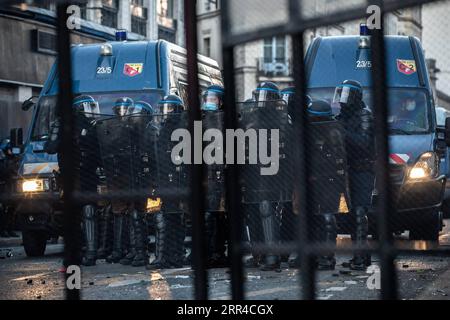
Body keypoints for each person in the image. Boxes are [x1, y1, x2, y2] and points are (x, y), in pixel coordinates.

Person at [46, 95, 101, 266]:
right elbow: (50, 147)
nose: (89, 110)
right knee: (72, 215)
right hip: (71, 177)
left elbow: (100, 152)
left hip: (88, 174)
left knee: (89, 212)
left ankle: (91, 252)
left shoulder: (93, 126)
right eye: (86, 107)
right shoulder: (62, 124)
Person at [334, 80, 375, 270]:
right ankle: (362, 256)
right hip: (346, 170)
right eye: (341, 95)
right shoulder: (342, 116)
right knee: (349, 214)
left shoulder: (364, 115)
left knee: (359, 212)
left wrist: (342, 132)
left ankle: (360, 257)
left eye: (346, 95)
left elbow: (363, 143)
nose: (343, 100)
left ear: (355, 97)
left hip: (363, 169)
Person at [146, 95, 187, 269]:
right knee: (166, 219)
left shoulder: (181, 129)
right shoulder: (161, 129)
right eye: (164, 108)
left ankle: (171, 256)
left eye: (169, 108)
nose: (166, 112)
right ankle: (170, 256)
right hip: (162, 180)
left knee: (173, 219)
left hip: (176, 182)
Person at [306, 99, 346, 270]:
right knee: (314, 218)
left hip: (330, 180)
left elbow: (336, 160)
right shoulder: (312, 133)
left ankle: (327, 257)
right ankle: (316, 255)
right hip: (315, 180)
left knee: (327, 217)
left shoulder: (333, 132)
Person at [201, 85, 229, 268]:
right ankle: (207, 253)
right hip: (206, 175)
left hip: (224, 175)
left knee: (222, 217)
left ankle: (219, 253)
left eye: (214, 99)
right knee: (208, 216)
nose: (210, 102)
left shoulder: (227, 121)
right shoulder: (200, 120)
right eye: (208, 99)